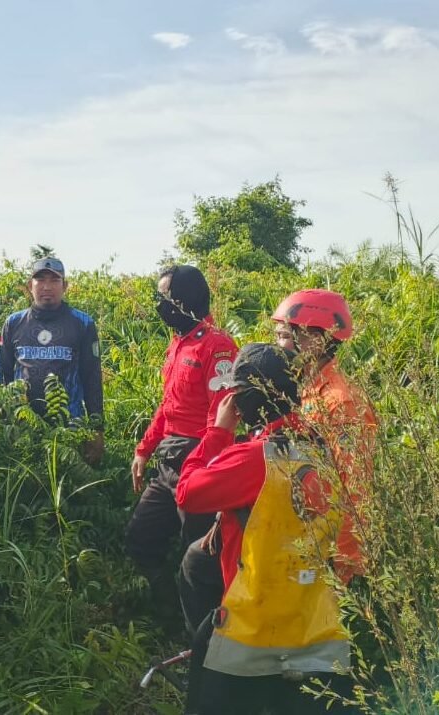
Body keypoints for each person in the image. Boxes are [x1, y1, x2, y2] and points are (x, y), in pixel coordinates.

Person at [176, 343, 356, 715]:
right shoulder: (325, 450)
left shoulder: (252, 459)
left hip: (252, 635)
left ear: (241, 400)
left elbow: (187, 494)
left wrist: (218, 432)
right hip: (320, 636)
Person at [124, 265, 237, 637]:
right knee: (141, 536)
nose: (160, 305)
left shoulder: (216, 346)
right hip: (168, 465)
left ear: (185, 300)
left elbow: (220, 418)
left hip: (200, 462)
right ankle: (168, 617)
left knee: (198, 559)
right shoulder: (179, 342)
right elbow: (169, 406)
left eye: (166, 297)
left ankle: (201, 642)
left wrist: (201, 467)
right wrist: (144, 449)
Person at [271, 289, 377, 583]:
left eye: (283, 336)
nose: (278, 345)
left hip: (329, 549)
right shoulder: (304, 386)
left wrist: (344, 560)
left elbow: (354, 485)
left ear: (315, 340)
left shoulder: (342, 402)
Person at [0, 257, 104, 459]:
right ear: (30, 286)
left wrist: (97, 429)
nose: (47, 287)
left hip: (69, 430)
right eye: (40, 280)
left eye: (54, 280)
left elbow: (92, 379)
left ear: (65, 286)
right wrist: (0, 422)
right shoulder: (14, 323)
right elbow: (1, 374)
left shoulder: (83, 323)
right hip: (21, 430)